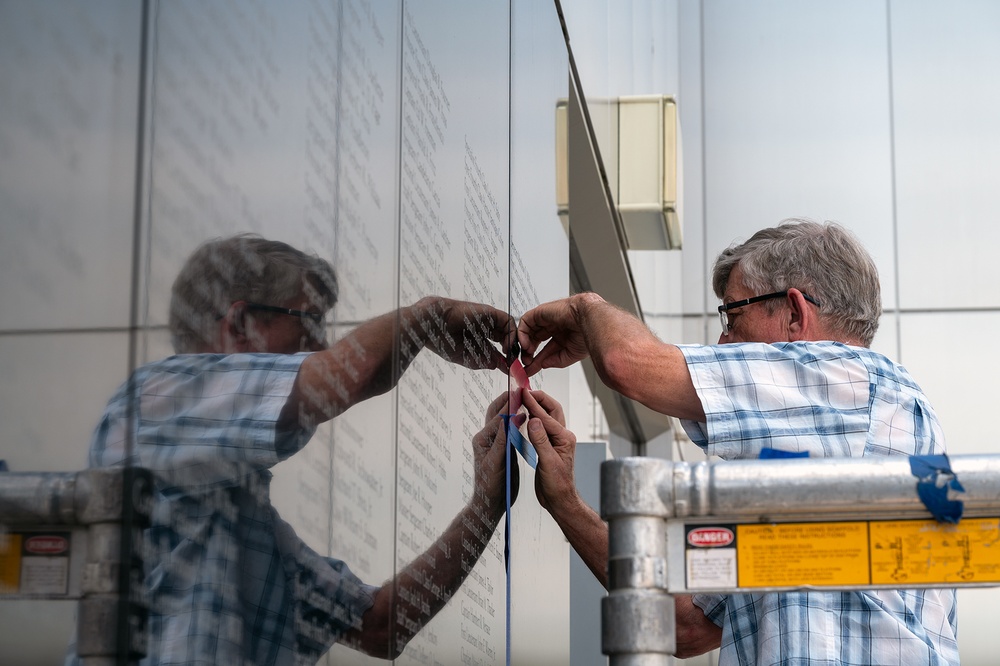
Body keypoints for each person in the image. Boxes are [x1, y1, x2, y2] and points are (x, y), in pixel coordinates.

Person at [516, 219, 958, 664]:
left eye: (733, 315)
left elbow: (627, 363)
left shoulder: (857, 381)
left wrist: (583, 308)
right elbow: (682, 625)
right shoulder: (794, 475)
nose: (723, 340)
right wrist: (566, 502)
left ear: (794, 314)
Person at [76, 234, 520, 664]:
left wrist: (486, 503)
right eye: (308, 322)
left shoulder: (232, 512)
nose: (323, 346)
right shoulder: (154, 401)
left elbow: (382, 627)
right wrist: (428, 319)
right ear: (240, 324)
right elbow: (340, 378)